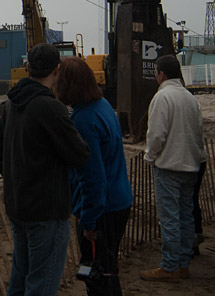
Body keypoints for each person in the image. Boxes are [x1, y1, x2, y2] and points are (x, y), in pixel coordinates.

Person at [0, 43, 91, 296]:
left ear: (27, 68)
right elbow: (79, 155)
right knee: (42, 282)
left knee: (21, 278)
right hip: (46, 210)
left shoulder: (12, 104)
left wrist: (16, 175)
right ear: (57, 69)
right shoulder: (50, 107)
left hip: (18, 205)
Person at [55, 57, 133, 296]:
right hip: (118, 201)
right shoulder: (104, 106)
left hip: (102, 210)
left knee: (99, 277)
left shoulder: (83, 120)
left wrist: (89, 221)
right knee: (108, 269)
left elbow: (92, 176)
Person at [140, 54, 206, 283]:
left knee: (169, 218)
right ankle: (183, 264)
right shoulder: (190, 98)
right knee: (186, 215)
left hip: (168, 166)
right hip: (190, 165)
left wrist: (150, 157)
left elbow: (156, 134)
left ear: (161, 74)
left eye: (156, 72)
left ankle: (169, 266)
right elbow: (199, 131)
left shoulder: (162, 97)